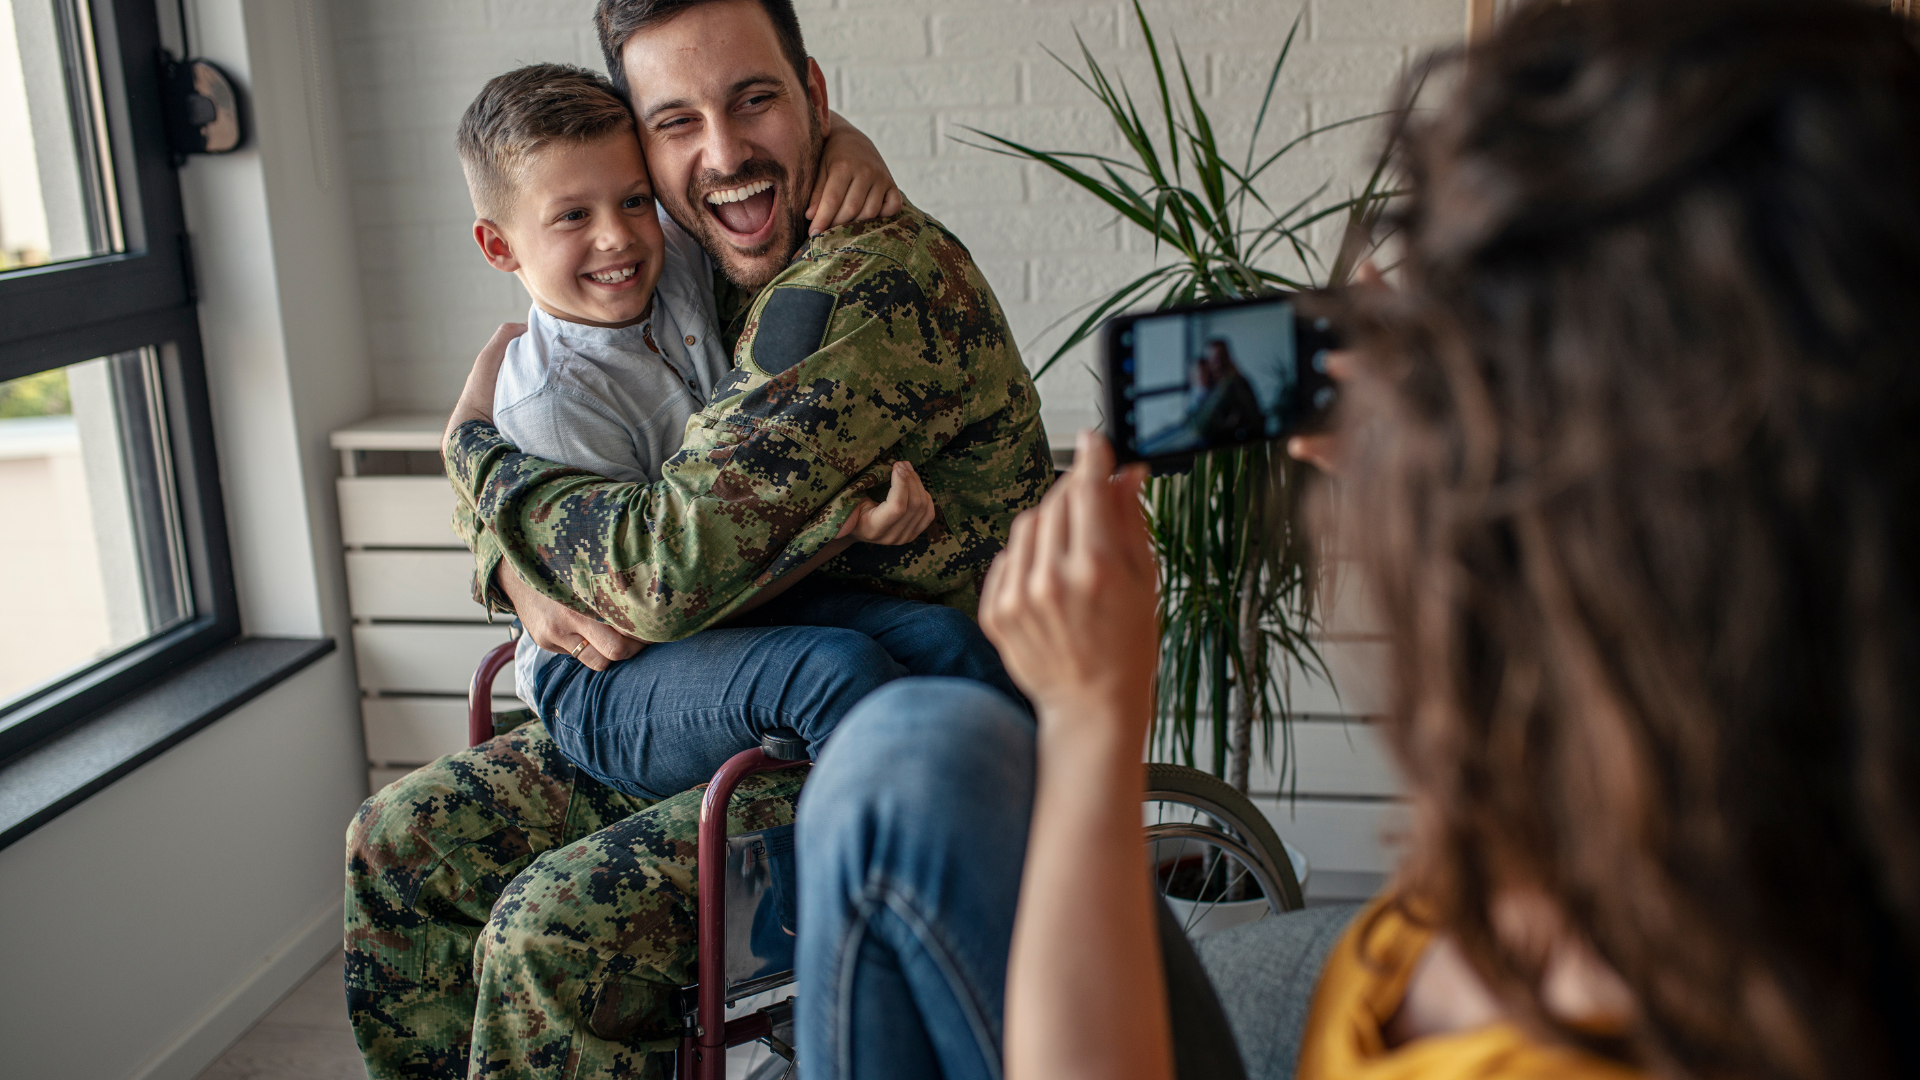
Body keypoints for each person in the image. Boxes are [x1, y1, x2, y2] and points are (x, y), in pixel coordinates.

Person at [793, 2, 1920, 1079]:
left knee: (896, 766)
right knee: (914, 754)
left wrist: (1092, 728)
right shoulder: (1676, 797)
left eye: (1452, 351)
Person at [345, 1, 1051, 1076]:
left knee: (552, 930)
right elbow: (551, 413)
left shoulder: (851, 283)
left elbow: (661, 569)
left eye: (755, 99)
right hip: (700, 675)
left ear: (814, 94)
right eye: (677, 121)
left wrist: (477, 464)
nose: (720, 156)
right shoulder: (695, 254)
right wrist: (505, 557)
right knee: (401, 840)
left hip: (883, 716)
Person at [457, 62, 1016, 802]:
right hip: (605, 676)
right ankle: (830, 915)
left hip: (715, 605)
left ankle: (1038, 867)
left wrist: (846, 143)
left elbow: (744, 173)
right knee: (832, 672)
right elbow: (641, 621)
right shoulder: (549, 400)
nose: (617, 239)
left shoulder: (671, 263)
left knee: (947, 642)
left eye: (633, 201)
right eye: (572, 217)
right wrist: (839, 530)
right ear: (500, 248)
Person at [1188, 339, 1264, 444]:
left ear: (1228, 358)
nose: (1218, 364)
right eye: (1213, 359)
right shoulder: (1212, 386)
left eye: (1221, 358)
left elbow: (1202, 428)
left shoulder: (1234, 383)